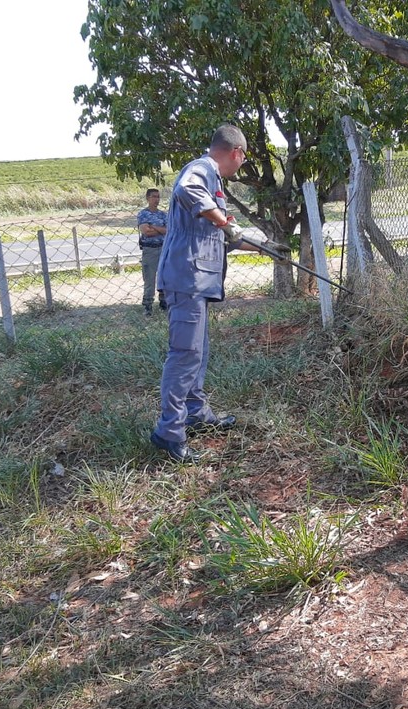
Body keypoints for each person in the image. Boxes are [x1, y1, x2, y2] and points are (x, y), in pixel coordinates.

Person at [149, 124, 261, 462]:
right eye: (242, 160)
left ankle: (196, 413)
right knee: (184, 354)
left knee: (197, 351)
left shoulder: (215, 181)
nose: (241, 165)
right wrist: (228, 224)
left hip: (197, 281)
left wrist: (264, 246)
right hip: (185, 279)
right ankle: (168, 433)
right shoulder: (202, 170)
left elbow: (221, 232)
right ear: (236, 153)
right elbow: (187, 190)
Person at [137, 188, 168, 315]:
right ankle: (147, 305)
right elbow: (146, 232)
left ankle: (164, 301)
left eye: (158, 197)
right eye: (154, 197)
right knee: (149, 279)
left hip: (163, 248)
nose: (156, 199)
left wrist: (153, 226)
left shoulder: (163, 214)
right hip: (150, 249)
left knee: (165, 277)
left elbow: (168, 230)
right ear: (148, 198)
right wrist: (159, 229)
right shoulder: (143, 214)